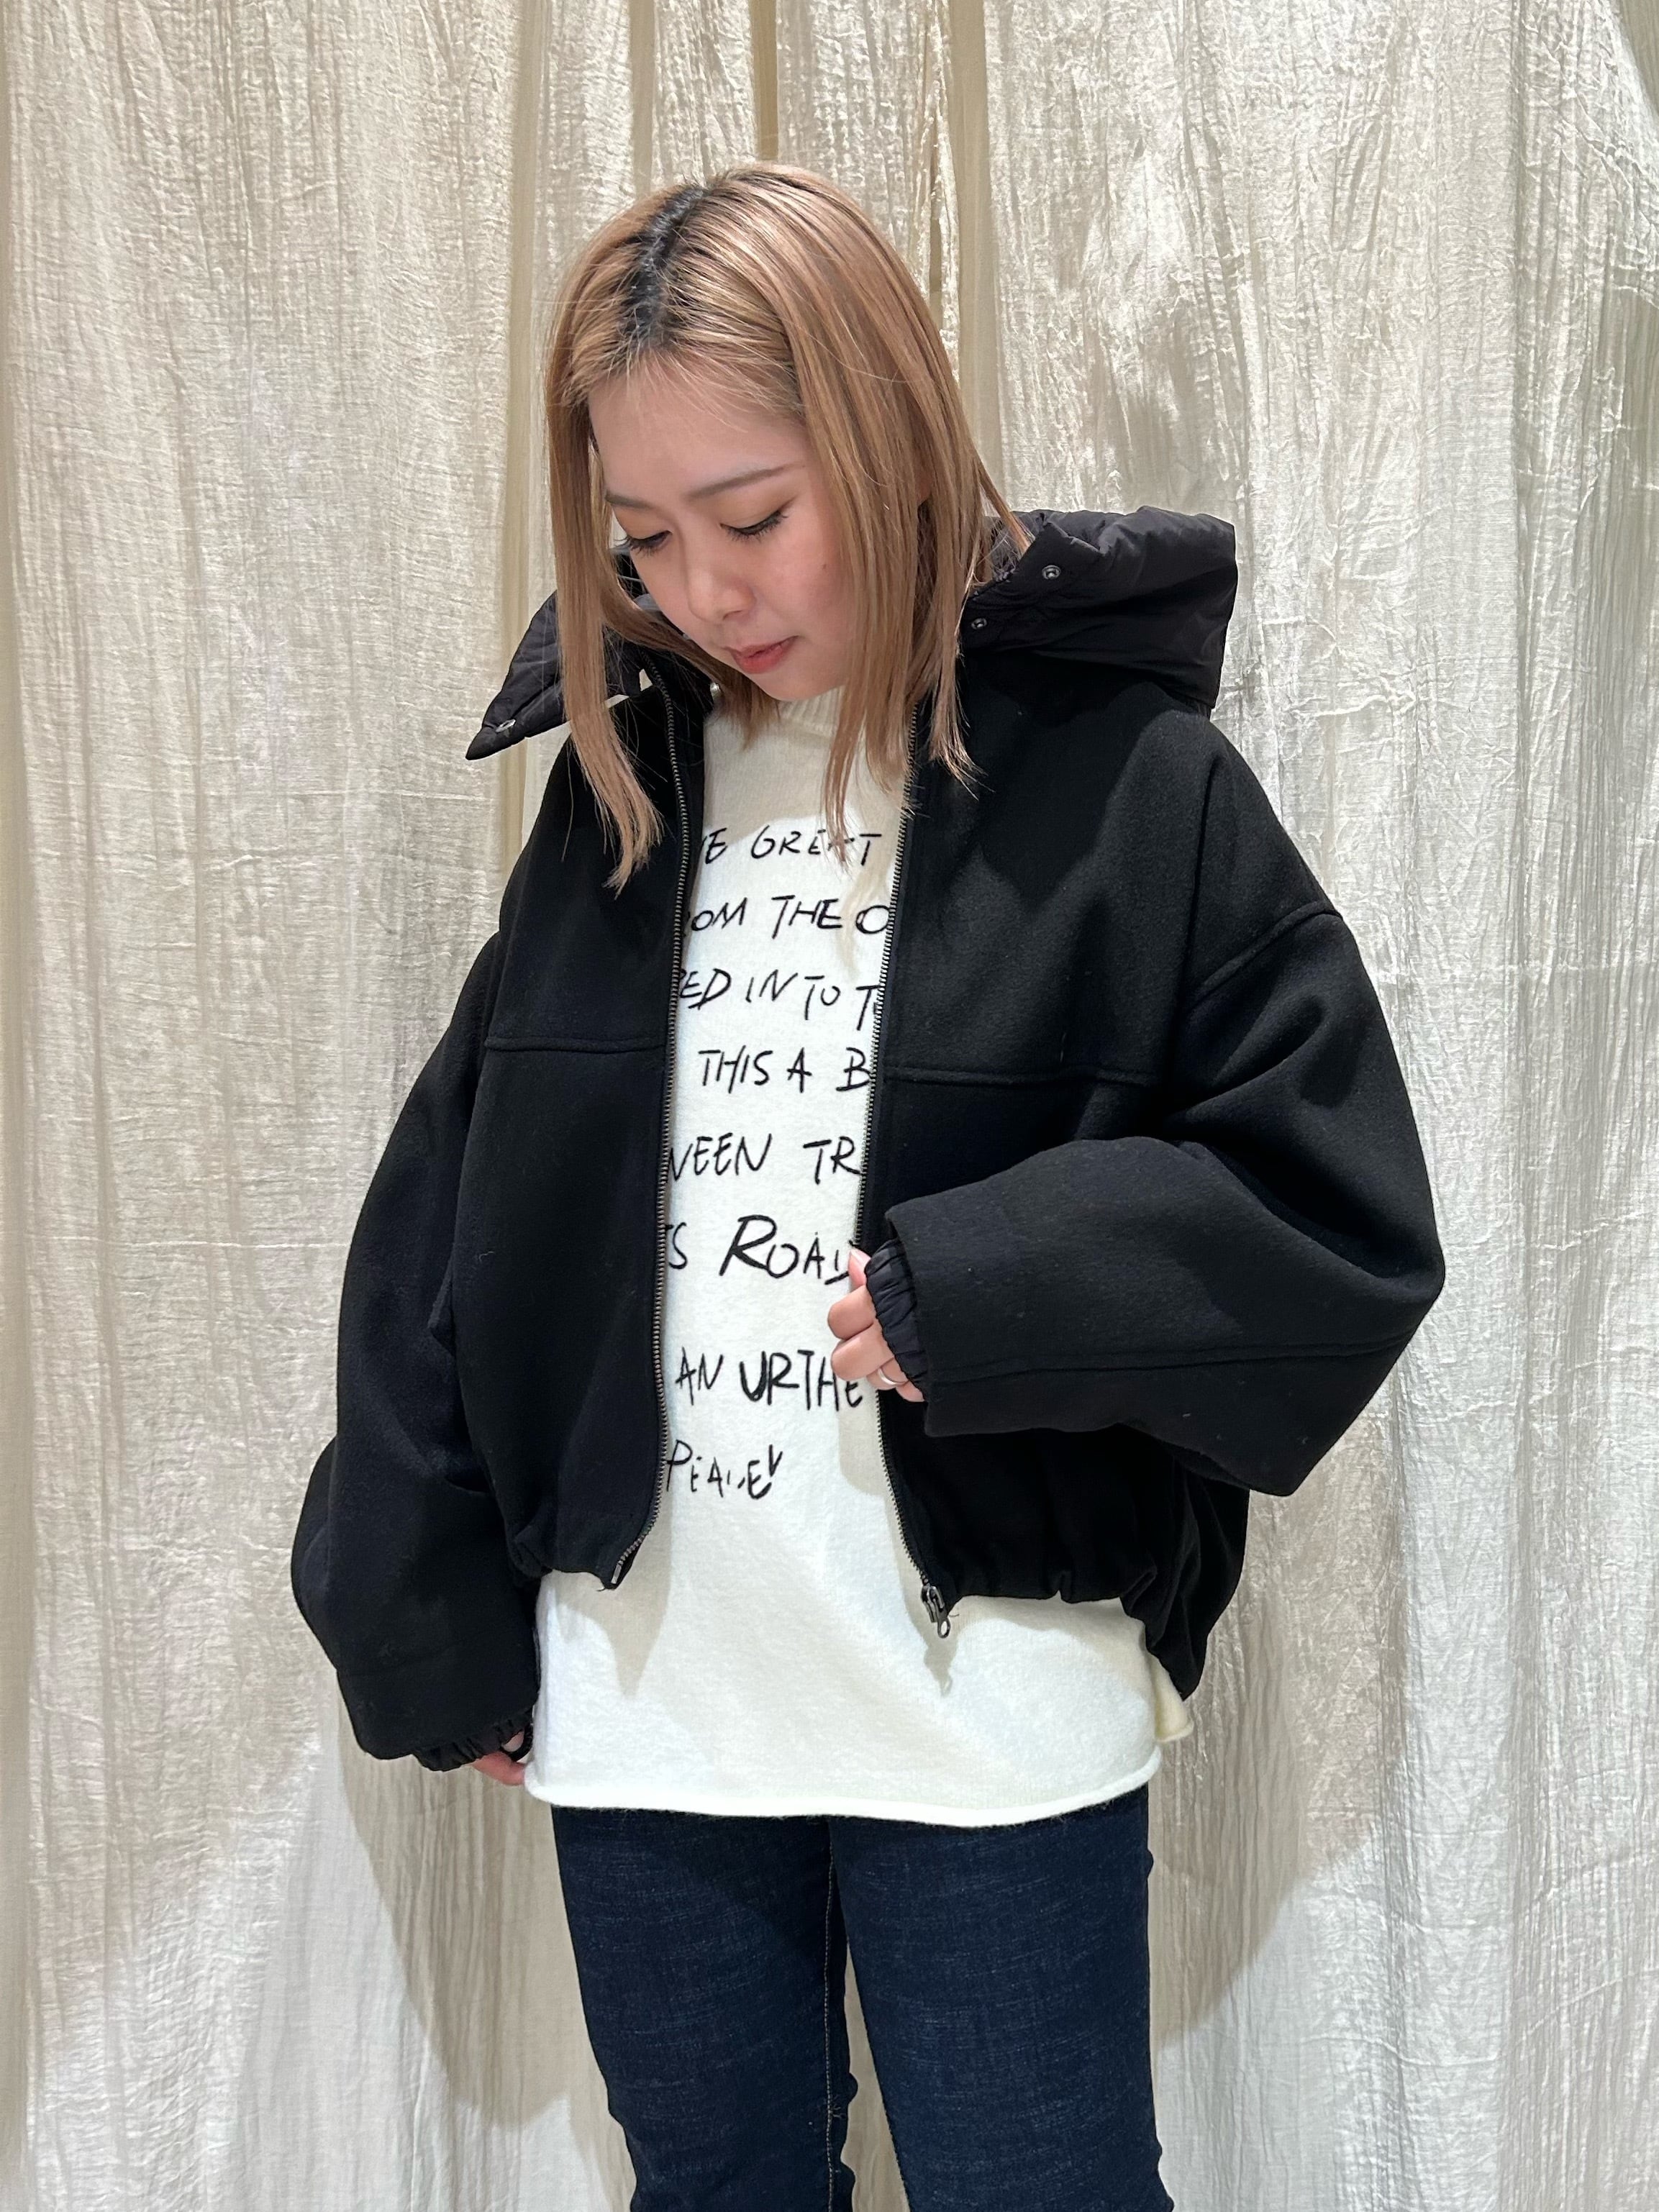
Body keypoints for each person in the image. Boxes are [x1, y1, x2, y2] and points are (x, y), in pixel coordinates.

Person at [291, 162, 1445, 2212]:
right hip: (651, 1702)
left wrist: (976, 1288)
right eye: (645, 538)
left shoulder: (1127, 787)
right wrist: (418, 1597)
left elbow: (1334, 1205)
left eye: (750, 516)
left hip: (984, 1692)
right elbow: (454, 1220)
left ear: (890, 436)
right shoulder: (623, 793)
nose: (703, 590)